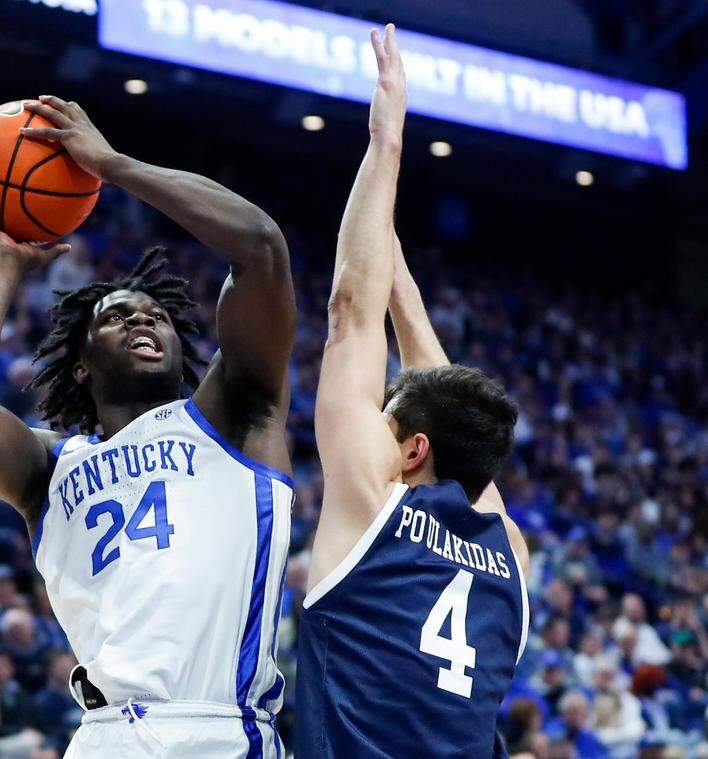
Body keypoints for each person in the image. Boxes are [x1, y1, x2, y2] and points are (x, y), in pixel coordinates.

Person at [0, 93, 294, 755]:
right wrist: (4, 263)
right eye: (117, 317)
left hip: (215, 728)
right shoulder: (49, 469)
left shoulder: (234, 412)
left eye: (153, 314)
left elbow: (260, 247)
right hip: (102, 735)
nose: (143, 319)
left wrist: (114, 165)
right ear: (83, 366)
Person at [296, 25, 529, 757]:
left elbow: (346, 316)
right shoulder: (511, 554)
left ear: (412, 447)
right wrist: (397, 274)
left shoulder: (374, 503)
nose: (377, 424)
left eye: (388, 420)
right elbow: (446, 399)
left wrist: (386, 139)